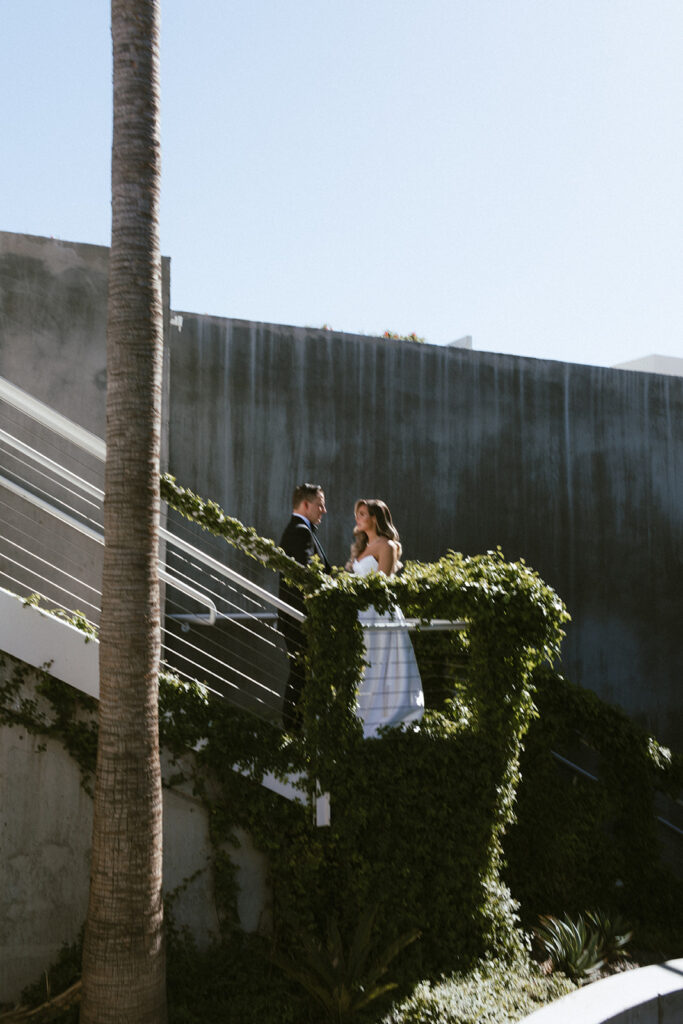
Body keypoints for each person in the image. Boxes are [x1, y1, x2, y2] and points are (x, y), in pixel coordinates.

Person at [348, 499, 424, 737]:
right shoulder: (360, 548)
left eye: (362, 514)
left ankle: (384, 717)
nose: (358, 518)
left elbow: (383, 583)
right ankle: (357, 715)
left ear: (375, 519)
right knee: (362, 664)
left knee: (381, 663)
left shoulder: (387, 546)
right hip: (359, 613)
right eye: (357, 514)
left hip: (378, 612)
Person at [278, 483, 330, 730]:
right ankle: (293, 730)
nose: (324, 510)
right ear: (306, 504)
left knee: (301, 675)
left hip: (298, 618)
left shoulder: (300, 529)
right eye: (320, 504)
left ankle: (295, 728)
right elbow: (307, 576)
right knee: (301, 676)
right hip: (300, 619)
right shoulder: (300, 531)